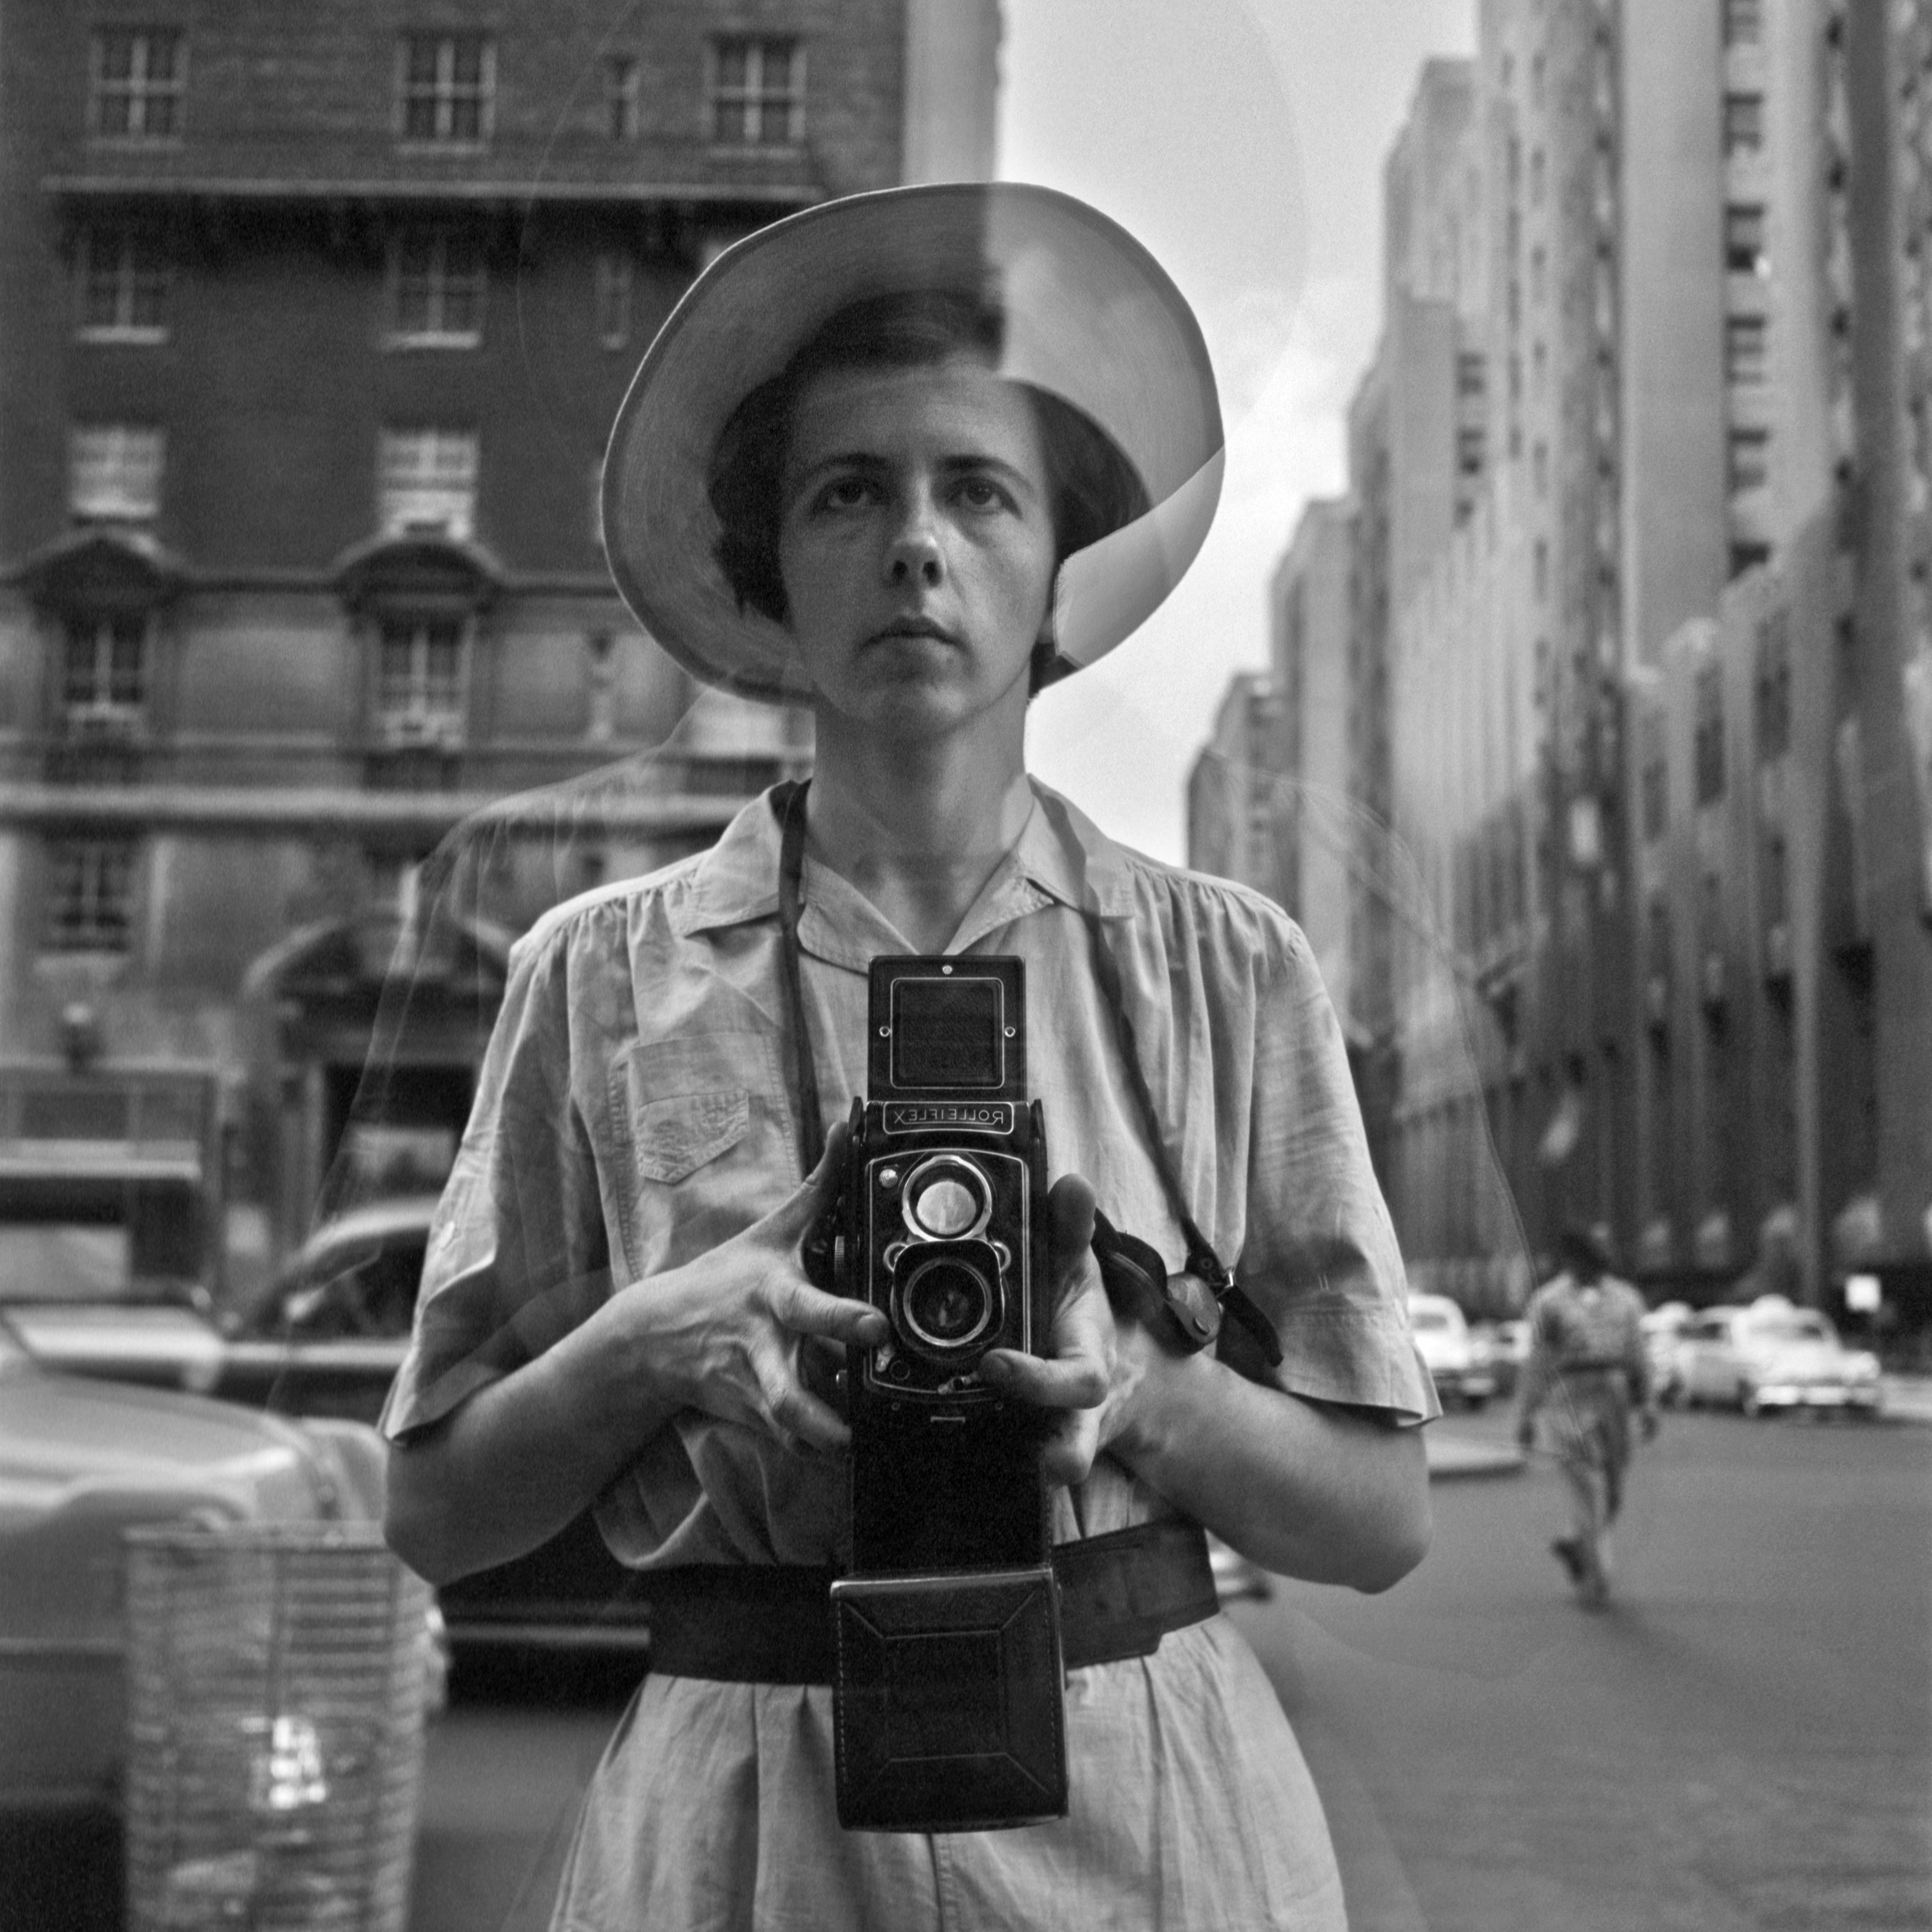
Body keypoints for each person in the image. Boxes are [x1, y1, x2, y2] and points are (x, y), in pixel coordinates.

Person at [379, 182, 1438, 1930]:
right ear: (767, 565)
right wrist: (661, 1333)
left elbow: (1381, 1513)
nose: (915, 542)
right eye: (846, 490)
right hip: (741, 1818)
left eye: (978, 490)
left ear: (1048, 571)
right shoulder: (597, 972)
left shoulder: (1223, 965)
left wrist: (1146, 1397)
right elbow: (432, 1509)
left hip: (1151, 1812)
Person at [1514, 1225, 1657, 1606]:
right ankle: (1596, 1576)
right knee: (1582, 1485)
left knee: (1612, 1489)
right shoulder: (1549, 1303)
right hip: (1568, 1396)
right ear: (1572, 1261)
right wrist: (1526, 1415)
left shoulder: (1625, 1299)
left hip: (1612, 1391)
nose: (1597, 1266)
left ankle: (1576, 1543)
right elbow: (1538, 1363)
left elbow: (1639, 1354)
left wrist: (1647, 1404)